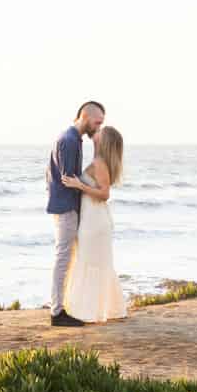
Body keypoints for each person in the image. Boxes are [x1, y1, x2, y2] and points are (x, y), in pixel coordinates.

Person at [60, 126, 128, 323]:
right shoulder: (103, 161)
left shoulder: (100, 163)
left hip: (95, 221)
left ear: (104, 140)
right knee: (96, 262)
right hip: (96, 218)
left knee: (89, 261)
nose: (96, 133)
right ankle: (101, 309)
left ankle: (87, 311)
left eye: (100, 132)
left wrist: (79, 185)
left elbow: (105, 194)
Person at [46, 102, 105, 326]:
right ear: (86, 116)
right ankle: (57, 312)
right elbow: (67, 178)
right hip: (65, 207)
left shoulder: (74, 139)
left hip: (66, 205)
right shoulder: (69, 140)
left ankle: (60, 305)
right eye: (97, 122)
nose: (99, 128)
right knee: (63, 258)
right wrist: (92, 186)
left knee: (66, 257)